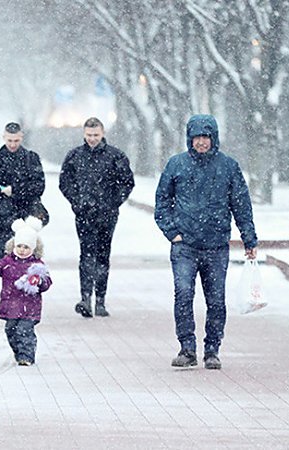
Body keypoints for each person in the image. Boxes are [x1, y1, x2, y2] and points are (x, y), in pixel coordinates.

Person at [154, 114, 258, 370]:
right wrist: (173, 232)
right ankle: (187, 348)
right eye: (197, 137)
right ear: (190, 138)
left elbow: (241, 205)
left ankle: (212, 349)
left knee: (216, 300)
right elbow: (162, 202)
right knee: (184, 294)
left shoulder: (228, 167)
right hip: (184, 246)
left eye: (206, 137)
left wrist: (249, 239)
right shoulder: (176, 165)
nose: (202, 142)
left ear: (214, 138)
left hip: (216, 245)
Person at [58, 117, 135, 318]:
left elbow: (127, 182)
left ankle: (100, 299)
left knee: (102, 256)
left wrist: (113, 202)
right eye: (89, 135)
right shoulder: (74, 156)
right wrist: (77, 202)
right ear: (84, 134)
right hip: (84, 214)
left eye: (96, 135)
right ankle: (85, 298)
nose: (92, 139)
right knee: (86, 254)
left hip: (107, 215)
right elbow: (65, 182)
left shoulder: (115, 156)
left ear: (103, 134)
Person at [0, 216, 51, 366]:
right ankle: (18, 351)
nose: (22, 250)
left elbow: (47, 282)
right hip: (10, 305)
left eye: (26, 247)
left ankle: (27, 355)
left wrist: (39, 281)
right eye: (20, 246)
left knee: (24, 331)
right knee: (11, 330)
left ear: (34, 248)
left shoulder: (37, 265)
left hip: (29, 307)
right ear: (14, 246)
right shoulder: (8, 262)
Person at [0, 122, 46, 260]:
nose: (13, 144)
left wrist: (15, 190)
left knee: (25, 263)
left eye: (16, 141)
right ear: (4, 138)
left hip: (25, 219)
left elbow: (39, 186)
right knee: (0, 263)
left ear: (21, 138)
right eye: (10, 140)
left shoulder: (31, 159)